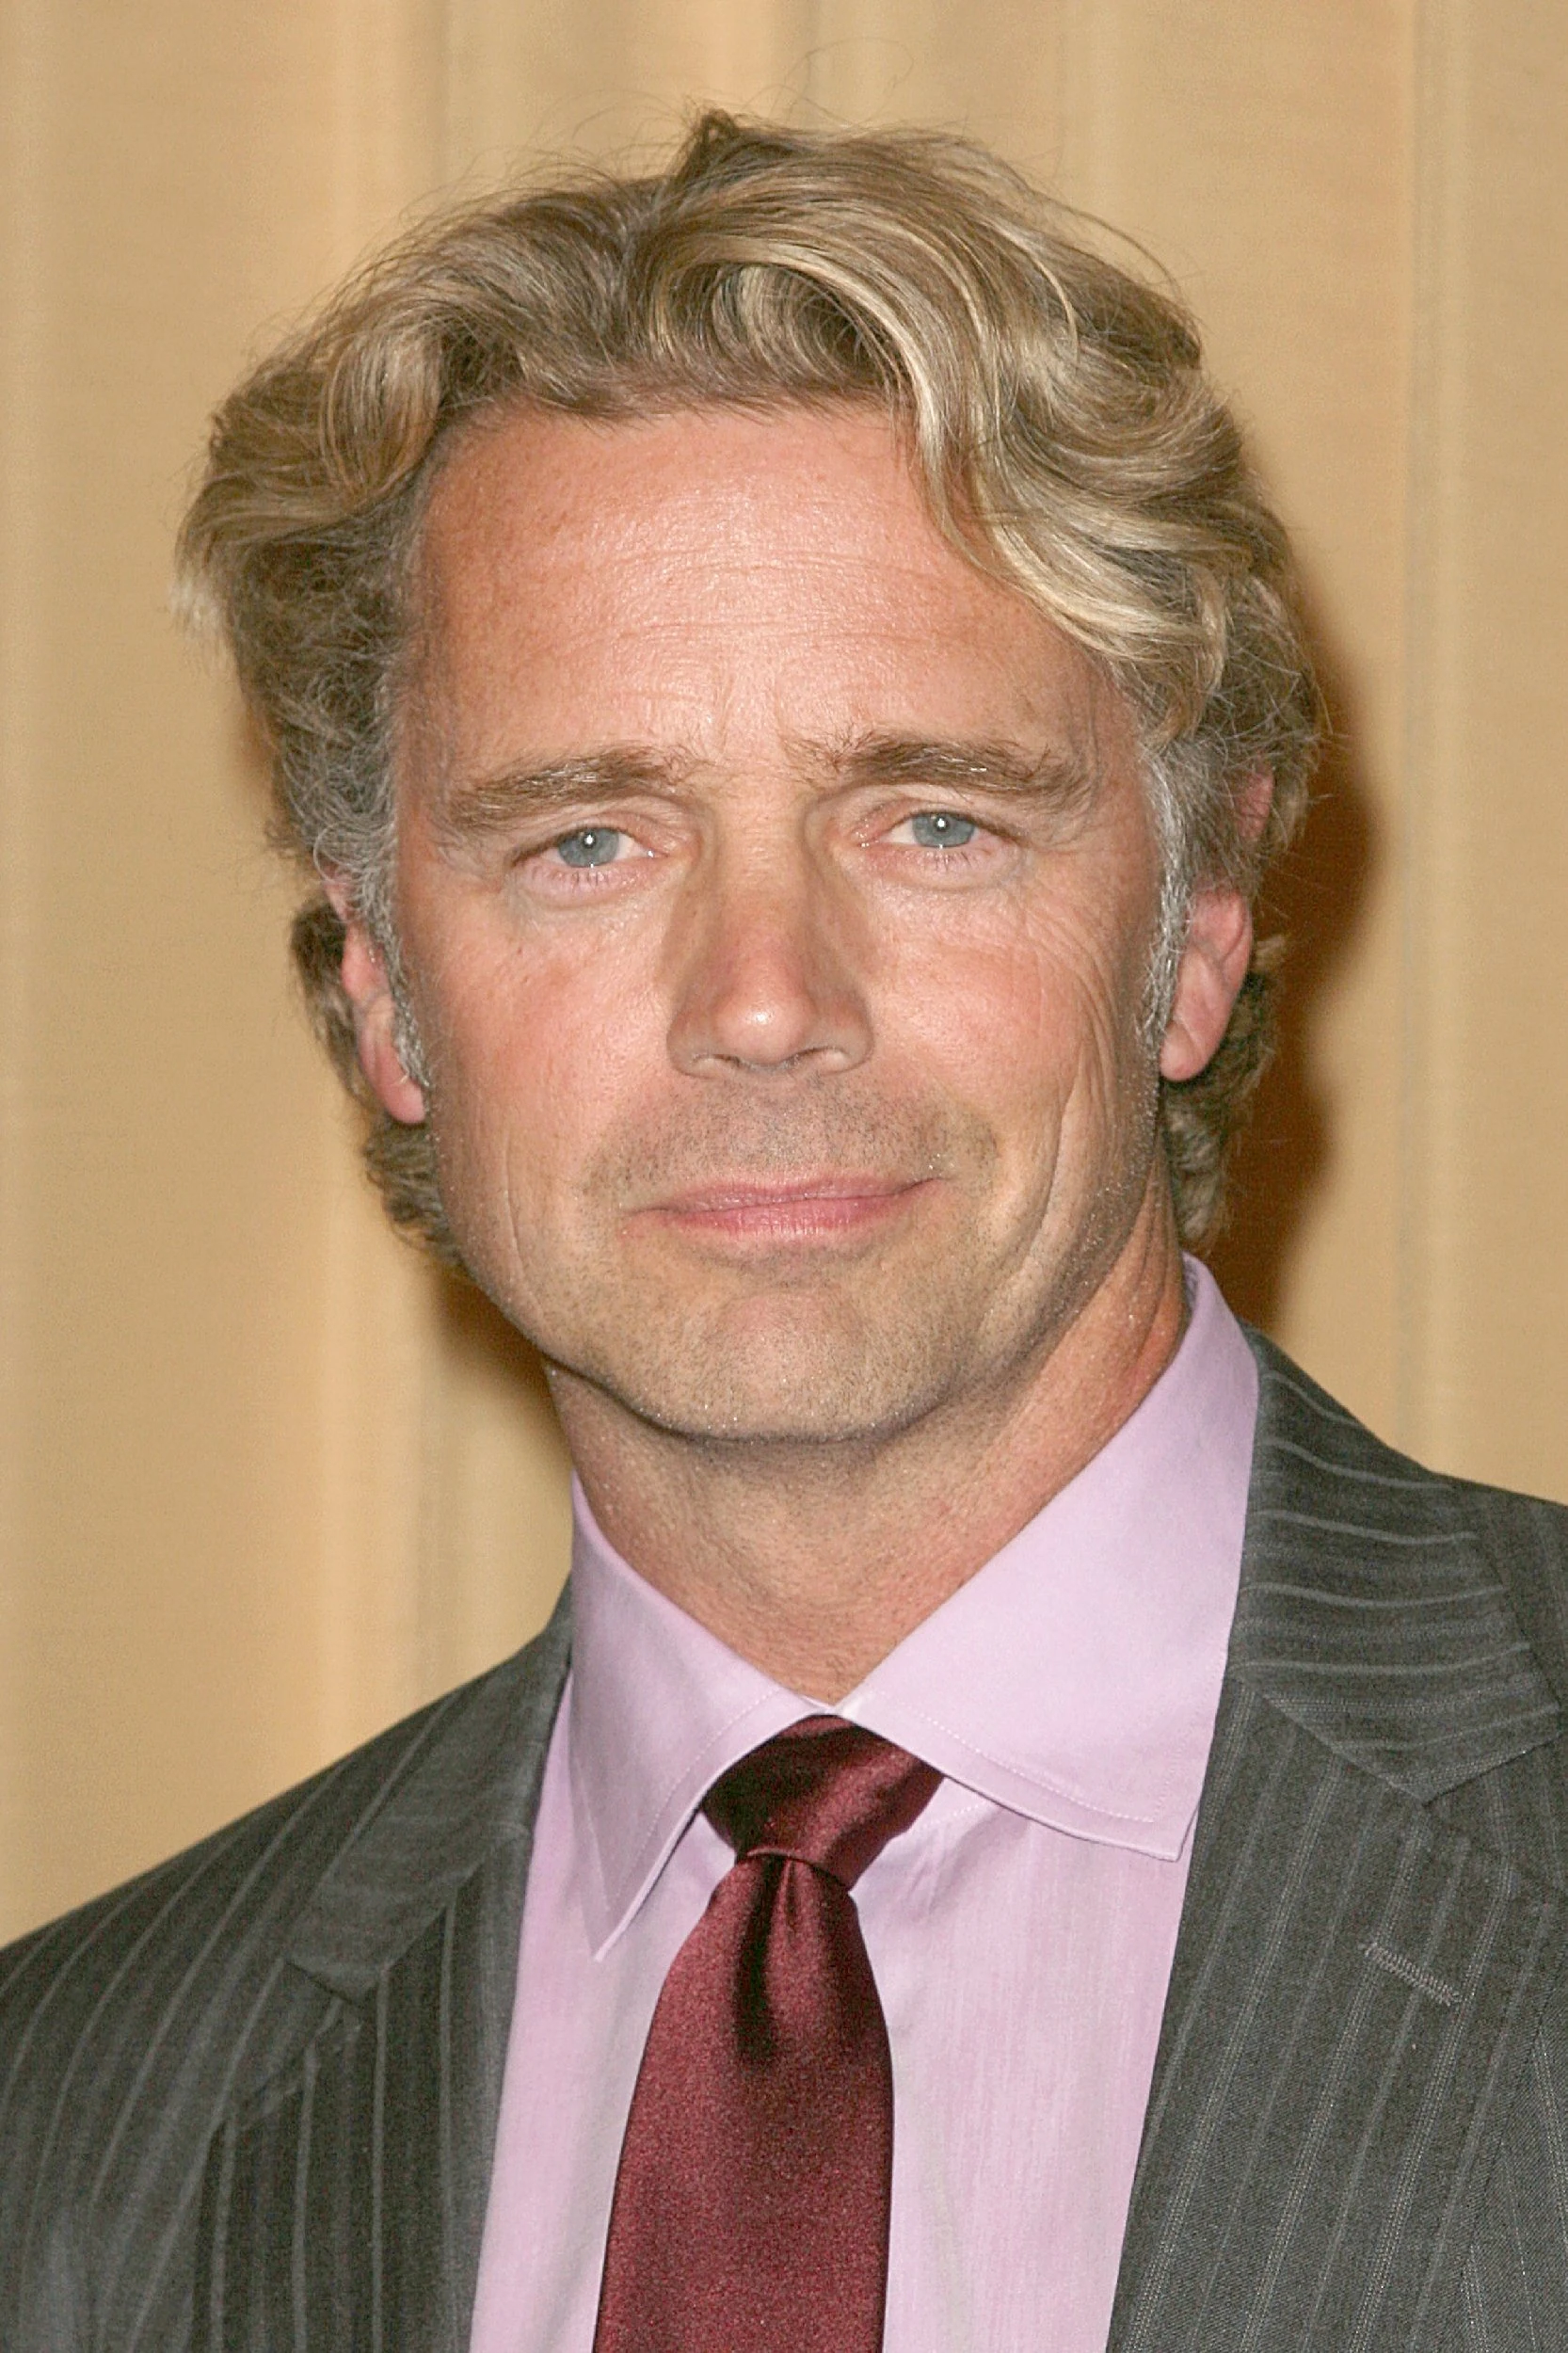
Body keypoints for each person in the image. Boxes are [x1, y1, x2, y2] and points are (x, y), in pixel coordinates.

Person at [2, 110, 1564, 2353]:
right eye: (586, 840)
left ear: (1200, 920)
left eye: (931, 820)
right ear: (379, 985)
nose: (759, 1001)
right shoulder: (69, 2127)